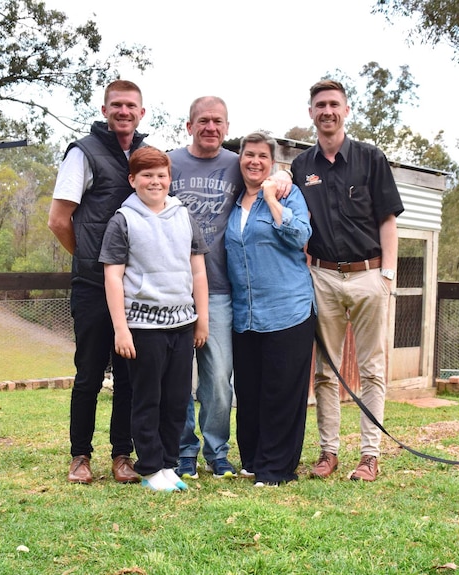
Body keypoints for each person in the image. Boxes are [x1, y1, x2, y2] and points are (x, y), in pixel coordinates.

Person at [291, 79, 404, 482]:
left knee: (373, 369)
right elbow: (296, 224)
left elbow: (387, 219)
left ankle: (369, 456)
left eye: (334, 104)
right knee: (325, 370)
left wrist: (387, 275)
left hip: (369, 274)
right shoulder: (302, 166)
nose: (327, 111)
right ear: (311, 112)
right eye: (319, 105)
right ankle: (328, 452)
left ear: (346, 110)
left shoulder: (371, 159)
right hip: (321, 275)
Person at [47, 79, 147, 485]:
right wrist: (91, 261)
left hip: (136, 287)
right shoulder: (82, 153)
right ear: (105, 110)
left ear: (142, 113)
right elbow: (58, 220)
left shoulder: (144, 156)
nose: (124, 112)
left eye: (131, 106)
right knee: (89, 373)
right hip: (92, 286)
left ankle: (123, 455)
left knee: (128, 376)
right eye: (117, 106)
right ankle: (80, 456)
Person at [100, 147, 209, 492]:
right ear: (132, 180)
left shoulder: (184, 215)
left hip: (182, 324)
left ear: (169, 178)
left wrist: (201, 318)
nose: (155, 181)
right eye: (146, 175)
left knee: (178, 399)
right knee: (148, 398)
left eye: (161, 174)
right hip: (143, 327)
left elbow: (198, 270)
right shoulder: (123, 220)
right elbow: (113, 276)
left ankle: (168, 464)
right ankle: (149, 467)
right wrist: (121, 328)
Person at [225, 132, 316, 486]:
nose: (254, 161)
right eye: (249, 155)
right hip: (246, 314)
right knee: (248, 391)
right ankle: (253, 459)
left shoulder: (286, 192)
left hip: (288, 310)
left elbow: (300, 236)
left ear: (273, 162)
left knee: (281, 392)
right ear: (241, 158)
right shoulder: (232, 202)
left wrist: (271, 199)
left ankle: (277, 468)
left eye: (262, 156)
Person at [167, 96, 241, 479]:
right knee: (178, 377)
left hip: (220, 289)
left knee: (218, 378)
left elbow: (269, 180)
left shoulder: (236, 164)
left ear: (227, 127)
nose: (210, 127)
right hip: (174, 290)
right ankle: (183, 452)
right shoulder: (169, 162)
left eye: (218, 121)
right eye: (203, 121)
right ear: (189, 125)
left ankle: (217, 452)